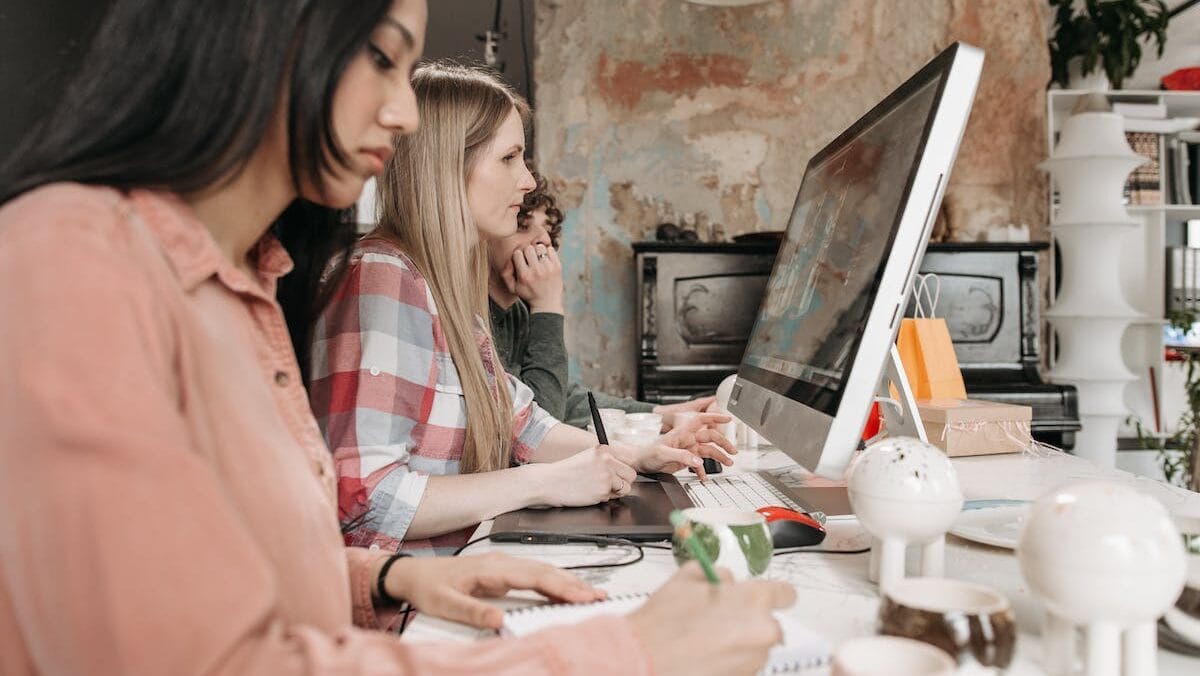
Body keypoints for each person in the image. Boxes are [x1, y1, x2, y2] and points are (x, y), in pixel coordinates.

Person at [0, 1, 794, 674]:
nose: (406, 111)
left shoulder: (248, 286)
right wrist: (628, 650)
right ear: (259, 32)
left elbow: (232, 569)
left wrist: (386, 579)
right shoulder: (73, 260)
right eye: (383, 58)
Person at [308, 62, 736, 554]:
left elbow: (521, 421)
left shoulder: (441, 285)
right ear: (448, 165)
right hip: (411, 611)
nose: (529, 180)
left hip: (472, 567)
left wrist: (641, 455)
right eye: (510, 158)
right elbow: (364, 500)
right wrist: (543, 483)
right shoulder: (382, 280)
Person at [487, 172, 716, 429]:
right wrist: (547, 306)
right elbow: (539, 429)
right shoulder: (475, 318)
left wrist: (660, 414)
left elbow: (564, 398)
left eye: (549, 231)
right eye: (523, 225)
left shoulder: (516, 313)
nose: (545, 241)